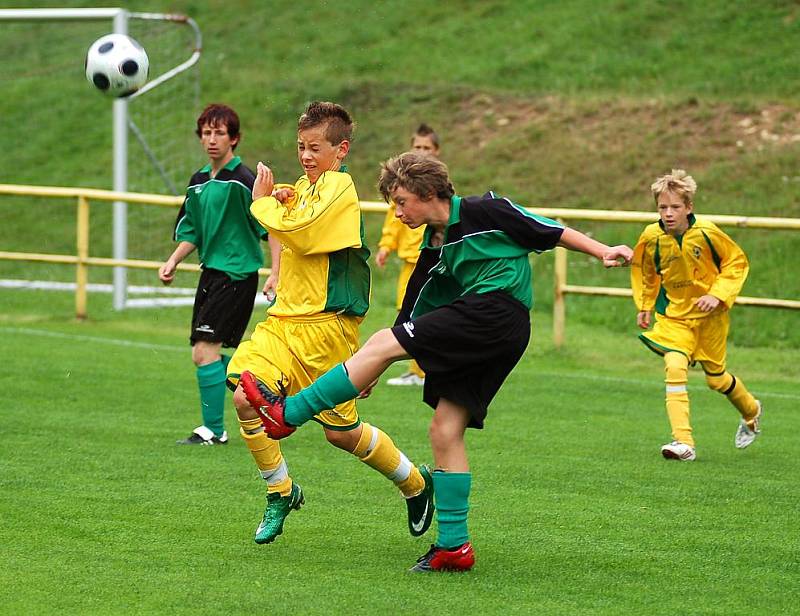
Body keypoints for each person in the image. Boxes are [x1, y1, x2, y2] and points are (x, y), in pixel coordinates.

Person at [241, 151, 633, 572]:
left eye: (402, 201)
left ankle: (289, 414)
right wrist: (375, 364)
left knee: (380, 344)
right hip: (498, 331)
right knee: (444, 429)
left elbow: (551, 231)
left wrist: (603, 250)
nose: (397, 212)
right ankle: (454, 547)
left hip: (496, 311)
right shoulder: (433, 249)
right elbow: (410, 314)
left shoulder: (488, 210)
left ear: (429, 193)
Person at [226, 102, 434, 546]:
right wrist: (281, 195)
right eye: (301, 146)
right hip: (284, 322)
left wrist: (262, 203)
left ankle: (415, 483)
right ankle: (280, 490)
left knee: (342, 434)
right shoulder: (306, 187)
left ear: (340, 150)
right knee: (245, 396)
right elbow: (291, 219)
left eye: (315, 147)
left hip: (327, 329)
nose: (305, 155)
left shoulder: (339, 187)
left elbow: (299, 229)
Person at [159, 103, 276, 446]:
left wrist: (276, 274)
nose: (212, 139)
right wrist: (173, 261)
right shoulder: (198, 181)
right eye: (206, 133)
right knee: (207, 351)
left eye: (219, 133)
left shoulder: (244, 182)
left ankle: (213, 430)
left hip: (237, 274)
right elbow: (192, 229)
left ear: (234, 138)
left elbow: (271, 228)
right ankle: (262, 385)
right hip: (211, 273)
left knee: (203, 351)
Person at [631, 169, 762, 461]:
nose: (668, 213)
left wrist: (716, 294)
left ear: (689, 207)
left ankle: (752, 411)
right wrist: (644, 304)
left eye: (675, 207)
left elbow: (736, 263)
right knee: (674, 364)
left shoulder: (707, 233)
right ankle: (684, 443)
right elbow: (646, 271)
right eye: (662, 207)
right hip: (674, 317)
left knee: (716, 380)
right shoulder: (651, 237)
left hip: (710, 319)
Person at [375, 124, 441, 386]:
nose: (422, 151)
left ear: (437, 151)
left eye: (427, 148)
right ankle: (417, 371)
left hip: (431, 261)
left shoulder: (437, 186)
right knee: (407, 310)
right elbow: (393, 220)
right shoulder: (402, 188)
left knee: (428, 313)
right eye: (418, 147)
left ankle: (425, 371)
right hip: (408, 262)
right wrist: (385, 246)